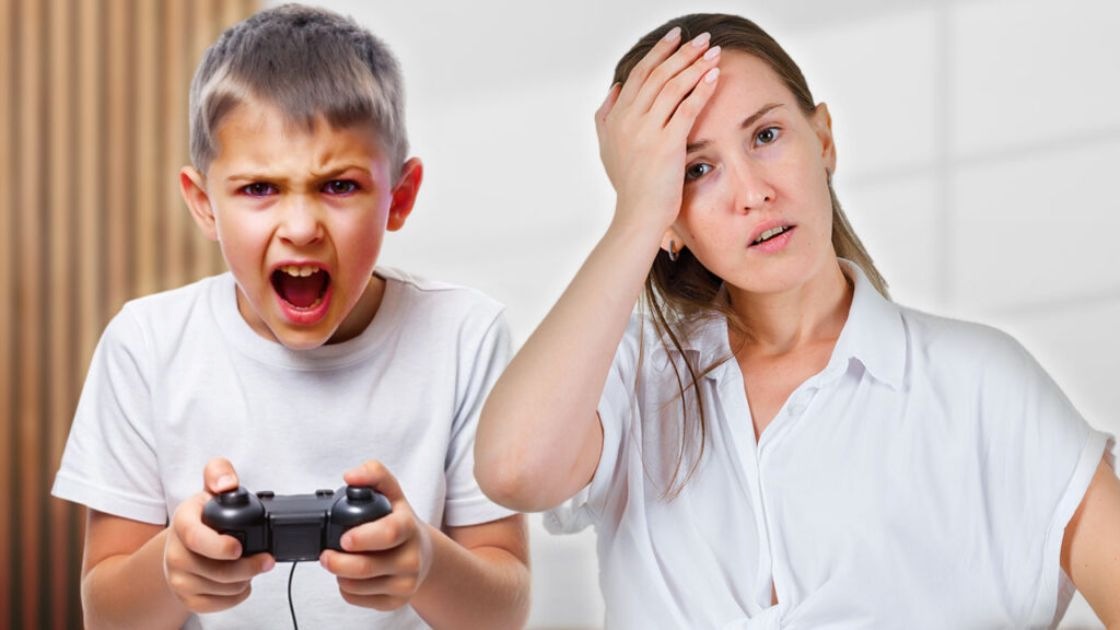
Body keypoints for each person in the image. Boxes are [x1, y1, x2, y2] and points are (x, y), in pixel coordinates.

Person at [475, 12, 1120, 628]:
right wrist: (637, 216)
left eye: (765, 136)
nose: (753, 192)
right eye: (696, 169)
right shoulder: (630, 380)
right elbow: (513, 469)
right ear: (666, 216)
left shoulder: (980, 383)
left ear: (824, 140)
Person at [51, 5, 529, 629]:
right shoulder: (147, 345)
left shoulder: (465, 335)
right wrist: (174, 567)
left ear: (400, 197)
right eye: (258, 189)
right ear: (204, 205)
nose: (301, 229)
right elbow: (107, 617)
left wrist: (427, 564)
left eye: (339, 186)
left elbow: (506, 611)